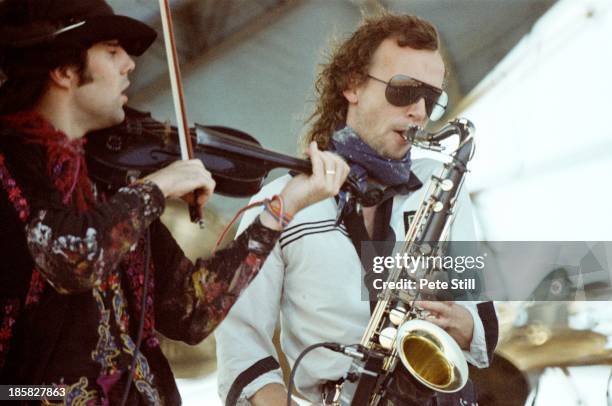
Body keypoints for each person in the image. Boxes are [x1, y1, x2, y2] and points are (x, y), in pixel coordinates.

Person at [0, 0, 349, 404]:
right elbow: (68, 258)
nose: (129, 65)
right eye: (111, 52)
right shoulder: (11, 164)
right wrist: (158, 186)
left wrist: (280, 210)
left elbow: (191, 311)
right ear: (63, 70)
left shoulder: (107, 179)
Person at [215, 12, 498, 406]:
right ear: (352, 85)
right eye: (404, 91)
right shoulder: (281, 199)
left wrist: (461, 322)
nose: (419, 111)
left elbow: (481, 319)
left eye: (431, 99)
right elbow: (240, 338)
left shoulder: (441, 184)